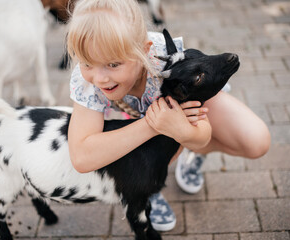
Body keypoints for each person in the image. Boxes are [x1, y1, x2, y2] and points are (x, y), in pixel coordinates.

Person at [66, 0, 271, 232]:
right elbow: (82, 157)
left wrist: (183, 132)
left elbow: (202, 133)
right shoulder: (88, 81)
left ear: (143, 50)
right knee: (150, 140)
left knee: (257, 141)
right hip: (142, 123)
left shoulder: (167, 59)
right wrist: (154, 125)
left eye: (113, 64)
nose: (100, 78)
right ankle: (148, 188)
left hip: (182, 117)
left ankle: (188, 154)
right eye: (87, 63)